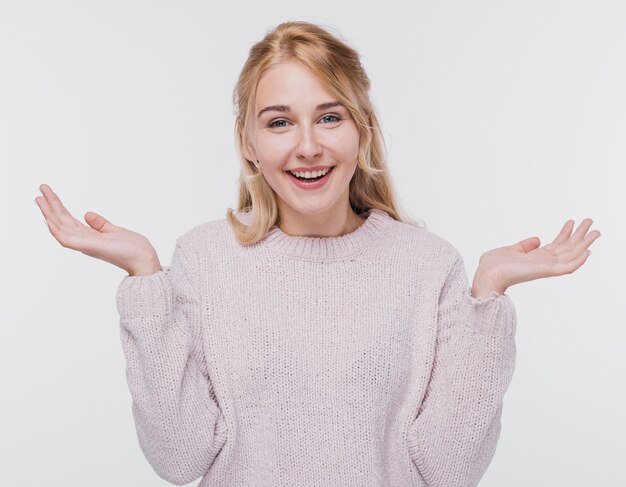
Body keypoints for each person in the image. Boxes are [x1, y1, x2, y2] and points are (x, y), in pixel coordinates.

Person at [35, 20, 600, 487]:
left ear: (363, 130)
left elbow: (449, 470)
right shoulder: (204, 260)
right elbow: (180, 459)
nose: (308, 146)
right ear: (248, 143)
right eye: (279, 122)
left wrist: (488, 292)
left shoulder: (429, 266)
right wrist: (145, 277)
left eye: (330, 117)